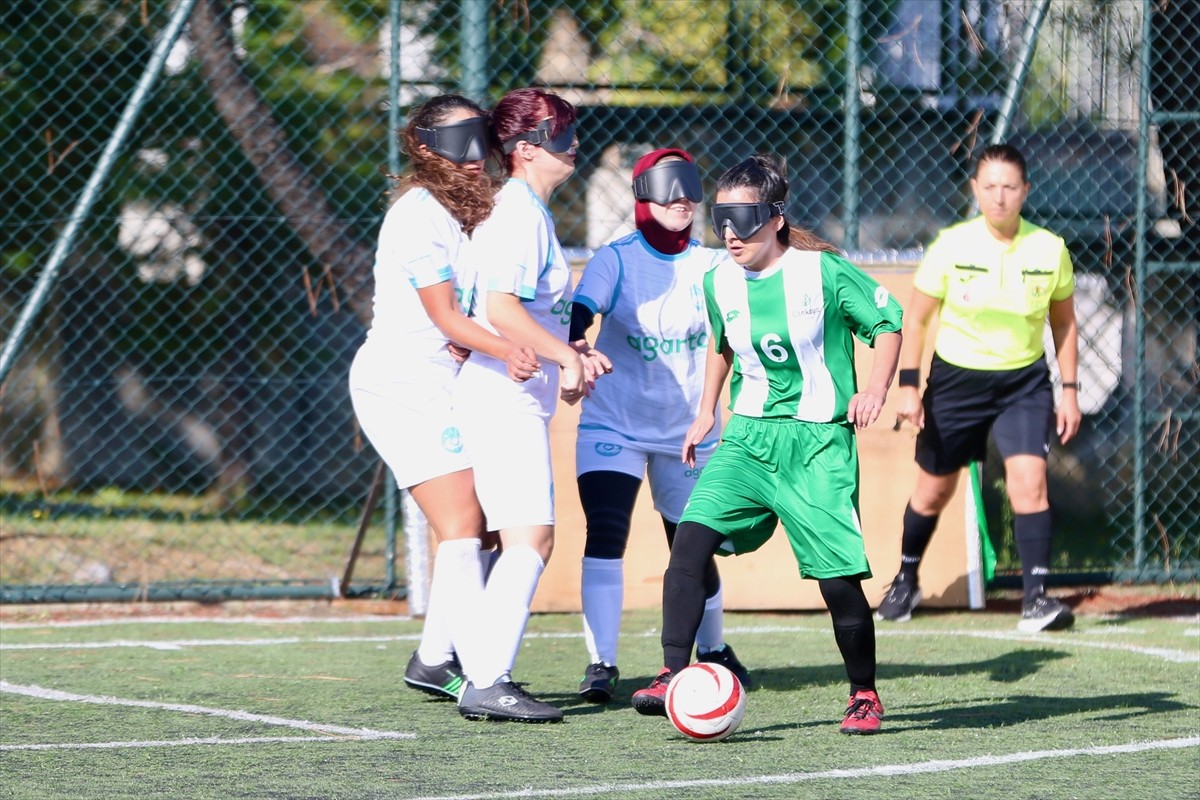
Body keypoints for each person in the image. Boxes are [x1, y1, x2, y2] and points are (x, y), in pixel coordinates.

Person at [631, 153, 903, 735]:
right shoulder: (717, 279)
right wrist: (705, 411)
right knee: (689, 542)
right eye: (720, 219)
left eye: (745, 218)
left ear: (776, 217)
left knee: (837, 581)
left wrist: (876, 388)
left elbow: (888, 323)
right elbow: (722, 344)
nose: (731, 233)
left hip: (817, 444)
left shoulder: (823, 272)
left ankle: (863, 693)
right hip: (747, 439)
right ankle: (673, 672)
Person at [347, 95, 540, 704]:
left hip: (443, 379)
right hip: (402, 383)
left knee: (483, 529)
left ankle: (434, 659)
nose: (476, 154)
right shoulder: (418, 214)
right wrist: (506, 350)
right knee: (462, 525)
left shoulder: (466, 212)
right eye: (461, 141)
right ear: (425, 147)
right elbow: (446, 317)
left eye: (481, 137)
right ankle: (483, 675)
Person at [875, 143, 1081, 633]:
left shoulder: (1049, 249)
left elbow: (1064, 324)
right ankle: (906, 580)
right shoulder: (951, 245)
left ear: (1026, 190)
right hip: (956, 382)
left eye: (1010, 186)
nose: (999, 197)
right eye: (989, 186)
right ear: (975, 189)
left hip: (1023, 383)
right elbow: (915, 320)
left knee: (1030, 483)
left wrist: (1070, 390)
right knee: (933, 490)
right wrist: (909, 387)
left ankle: (1036, 600)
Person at [570, 148, 750, 705]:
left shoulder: (713, 265)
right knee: (605, 531)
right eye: (669, 188)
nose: (682, 199)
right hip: (614, 423)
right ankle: (601, 664)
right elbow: (580, 314)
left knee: (692, 545)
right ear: (643, 194)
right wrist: (574, 347)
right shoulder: (616, 259)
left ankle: (713, 650)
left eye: (690, 187)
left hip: (688, 433)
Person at [451, 87, 604, 723]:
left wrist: (572, 350)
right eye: (560, 134)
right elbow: (501, 309)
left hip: (506, 397)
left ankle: (476, 668)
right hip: (501, 399)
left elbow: (525, 314)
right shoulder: (518, 212)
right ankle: (487, 679)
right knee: (531, 540)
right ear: (525, 149)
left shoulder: (522, 211)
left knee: (519, 539)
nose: (573, 145)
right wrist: (565, 358)